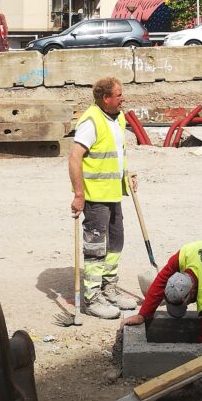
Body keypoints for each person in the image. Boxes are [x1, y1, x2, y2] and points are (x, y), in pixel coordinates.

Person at [69, 77, 138, 320]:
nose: (123, 98)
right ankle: (92, 297)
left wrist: (127, 174)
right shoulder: (90, 121)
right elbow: (74, 158)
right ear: (105, 99)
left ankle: (109, 287)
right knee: (96, 247)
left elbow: (118, 152)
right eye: (119, 95)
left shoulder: (118, 117)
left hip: (113, 192)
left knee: (116, 242)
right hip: (95, 195)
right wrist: (79, 194)